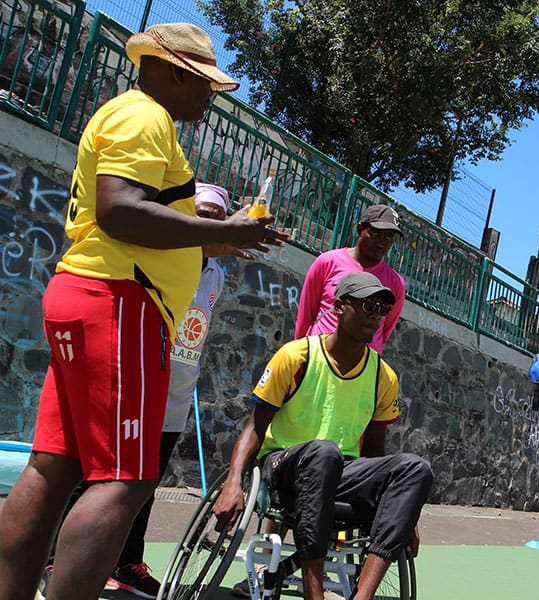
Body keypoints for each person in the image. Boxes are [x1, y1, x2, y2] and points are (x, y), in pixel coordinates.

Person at [0, 23, 286, 600]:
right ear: (175, 71)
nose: (210, 96)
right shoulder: (145, 116)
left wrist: (220, 241)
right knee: (126, 477)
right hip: (120, 303)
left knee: (54, 467)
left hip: (89, 295)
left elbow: (136, 222)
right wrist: (222, 226)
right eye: (205, 83)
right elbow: (120, 211)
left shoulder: (128, 114)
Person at [214, 271, 433, 600]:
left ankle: (363, 596)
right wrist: (233, 481)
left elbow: (375, 452)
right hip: (284, 465)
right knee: (324, 452)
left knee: (416, 468)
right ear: (340, 306)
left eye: (382, 309)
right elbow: (255, 427)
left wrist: (405, 511)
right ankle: (314, 592)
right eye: (367, 304)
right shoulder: (296, 357)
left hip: (339, 470)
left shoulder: (383, 376)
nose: (375, 313)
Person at [294, 204, 406, 353]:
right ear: (360, 229)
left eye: (388, 237)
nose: (381, 242)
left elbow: (385, 330)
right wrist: (298, 356)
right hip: (319, 358)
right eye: (375, 234)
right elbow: (305, 315)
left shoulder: (396, 283)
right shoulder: (327, 262)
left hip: (363, 370)